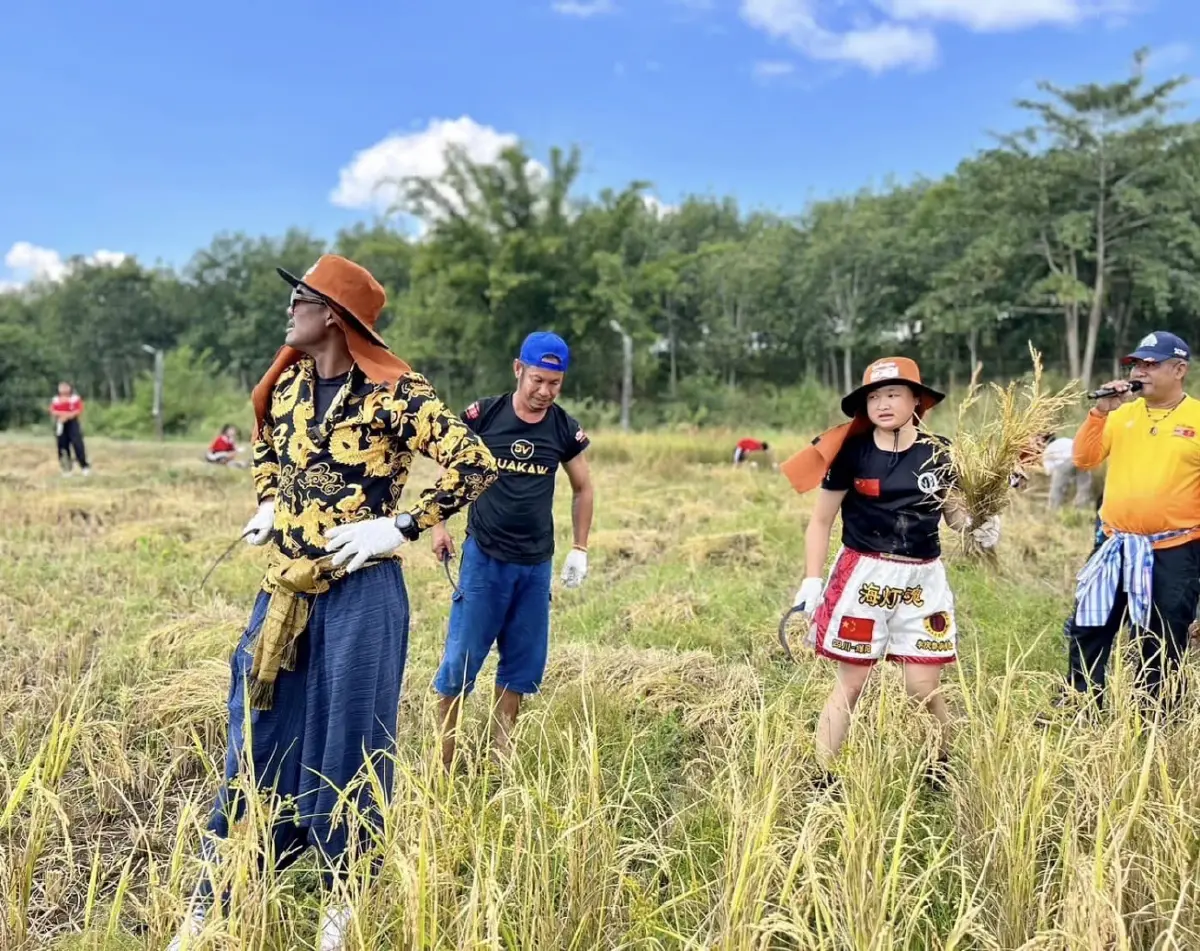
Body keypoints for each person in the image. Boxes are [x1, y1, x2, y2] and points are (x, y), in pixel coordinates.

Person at [167, 255, 497, 951]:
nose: (290, 308)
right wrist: (268, 498)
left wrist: (400, 524)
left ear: (334, 316)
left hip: (360, 592)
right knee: (255, 731)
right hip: (286, 587)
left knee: (351, 737)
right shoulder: (286, 385)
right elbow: (264, 440)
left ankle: (342, 901)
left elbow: (474, 462)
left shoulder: (396, 392)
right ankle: (222, 891)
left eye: (301, 297)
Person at [779, 357, 1000, 789]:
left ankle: (941, 762)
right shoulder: (851, 453)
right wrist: (811, 580)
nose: (883, 403)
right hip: (864, 577)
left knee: (922, 686)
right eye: (875, 396)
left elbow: (955, 515)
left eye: (893, 394)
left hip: (922, 580)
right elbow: (821, 521)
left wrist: (981, 523)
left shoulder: (940, 451)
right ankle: (822, 776)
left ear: (916, 400)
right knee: (853, 682)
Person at [429, 331, 594, 770]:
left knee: (522, 664)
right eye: (537, 380)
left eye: (554, 384)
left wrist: (580, 547)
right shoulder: (485, 415)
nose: (544, 392)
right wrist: (438, 525)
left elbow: (583, 487)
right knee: (462, 659)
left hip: (535, 563)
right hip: (485, 557)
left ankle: (500, 757)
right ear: (518, 369)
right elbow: (449, 467)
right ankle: (444, 761)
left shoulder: (563, 427)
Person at [1059, 330, 1200, 712]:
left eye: (1151, 364)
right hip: (1114, 543)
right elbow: (1084, 459)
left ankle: (1157, 712)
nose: (1141, 370)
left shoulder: (1197, 419)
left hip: (1176, 550)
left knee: (1164, 634)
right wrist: (1100, 411)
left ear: (1180, 369)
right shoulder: (1122, 415)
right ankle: (1081, 701)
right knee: (1090, 625)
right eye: (1138, 364)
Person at [49, 382, 90, 476]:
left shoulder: (74, 398)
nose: (63, 389)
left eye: (65, 387)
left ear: (69, 388)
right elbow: (52, 410)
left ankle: (84, 466)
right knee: (62, 445)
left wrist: (67, 416)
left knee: (77, 443)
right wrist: (61, 416)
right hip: (60, 422)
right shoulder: (55, 399)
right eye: (61, 387)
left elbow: (77, 410)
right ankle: (66, 468)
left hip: (72, 423)